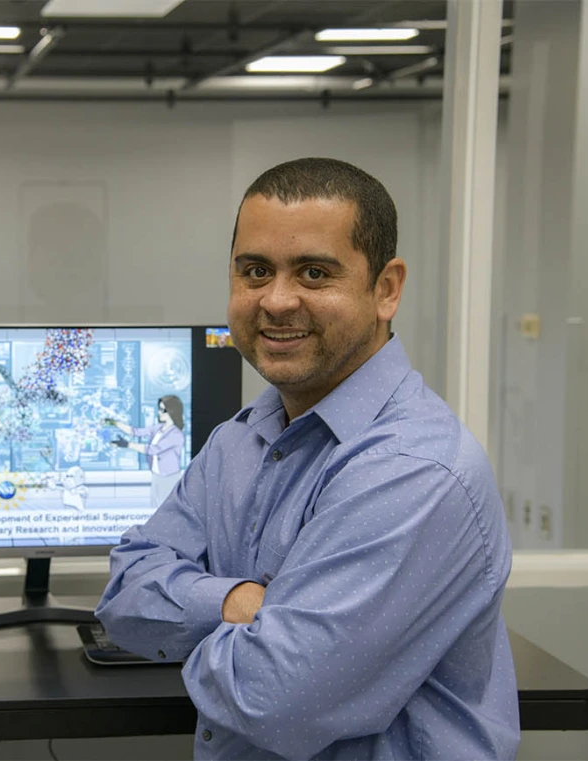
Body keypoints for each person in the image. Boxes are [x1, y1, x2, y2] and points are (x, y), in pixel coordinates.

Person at [95, 158, 520, 760]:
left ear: (386, 289)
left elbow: (272, 697)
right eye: (255, 271)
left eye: (315, 273)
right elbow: (123, 594)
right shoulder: (239, 441)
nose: (277, 300)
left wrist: (187, 614)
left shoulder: (414, 468)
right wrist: (241, 602)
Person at [106, 395, 186, 508]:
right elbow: (135, 432)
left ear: (172, 411)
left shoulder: (176, 434)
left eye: (163, 410)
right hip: (157, 474)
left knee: (165, 509)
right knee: (154, 507)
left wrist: (128, 444)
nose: (159, 412)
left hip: (169, 477)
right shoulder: (158, 428)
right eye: (159, 409)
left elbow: (153, 450)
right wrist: (115, 423)